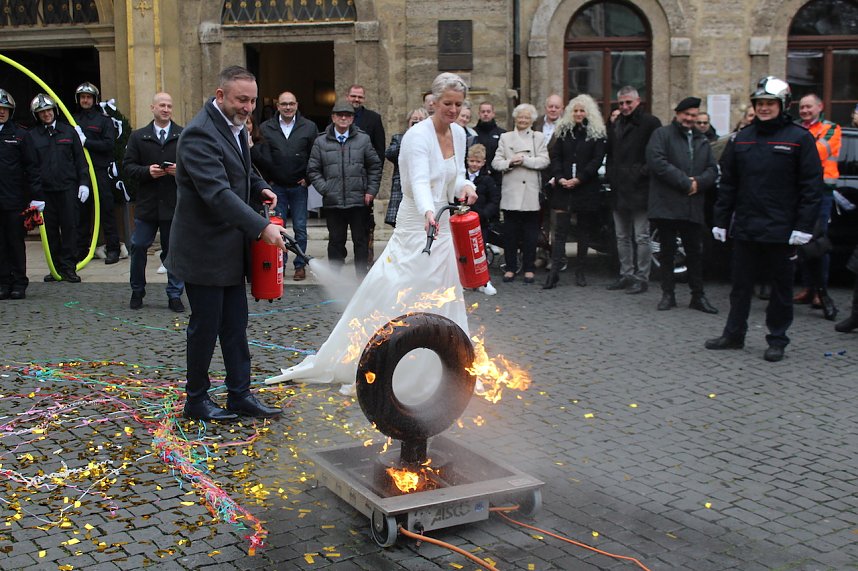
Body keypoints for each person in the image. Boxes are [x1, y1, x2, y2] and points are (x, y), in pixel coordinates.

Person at [267, 72, 478, 396]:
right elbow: (418, 182)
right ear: (433, 101)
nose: (452, 109)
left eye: (458, 104)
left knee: (442, 290)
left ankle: (448, 360)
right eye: (447, 103)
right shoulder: (416, 137)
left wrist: (467, 188)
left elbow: (458, 175)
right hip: (416, 224)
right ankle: (380, 361)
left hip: (443, 225)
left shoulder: (461, 133)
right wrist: (426, 212)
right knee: (399, 290)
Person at [165, 66, 287, 421]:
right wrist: (261, 228)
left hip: (230, 248)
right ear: (220, 96)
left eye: (251, 100)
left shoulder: (235, 127)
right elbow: (217, 193)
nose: (248, 107)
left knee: (235, 324)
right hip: (202, 251)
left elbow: (240, 171)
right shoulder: (198, 135)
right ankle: (196, 400)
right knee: (205, 328)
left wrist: (258, 185)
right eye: (241, 99)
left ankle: (240, 394)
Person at [705, 76, 823, 362]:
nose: (764, 108)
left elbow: (811, 186)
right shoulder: (742, 137)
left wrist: (803, 227)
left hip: (782, 229)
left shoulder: (799, 138)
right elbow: (729, 183)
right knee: (740, 286)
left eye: (770, 103)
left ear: (783, 105)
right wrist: (721, 220)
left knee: (781, 289)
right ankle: (734, 334)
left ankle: (777, 339)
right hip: (746, 225)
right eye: (760, 103)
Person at [646, 96, 719, 313]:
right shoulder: (662, 134)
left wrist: (699, 183)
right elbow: (657, 162)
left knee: (695, 253)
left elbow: (713, 169)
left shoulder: (702, 139)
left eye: (693, 115)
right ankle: (668, 294)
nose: (689, 118)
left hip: (692, 206)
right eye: (686, 114)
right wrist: (685, 182)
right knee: (667, 254)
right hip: (667, 205)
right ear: (678, 114)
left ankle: (698, 295)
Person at [122, 92, 185, 312]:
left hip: (173, 204)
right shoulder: (138, 136)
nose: (166, 109)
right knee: (138, 246)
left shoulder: (182, 135)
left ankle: (175, 294)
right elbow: (128, 167)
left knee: (174, 251)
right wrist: (147, 171)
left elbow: (195, 167)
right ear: (153, 108)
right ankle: (137, 290)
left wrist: (180, 171)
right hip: (147, 204)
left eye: (169, 105)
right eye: (162, 105)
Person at [308, 99, 382, 277]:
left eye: (347, 115)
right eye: (339, 115)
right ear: (333, 117)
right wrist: (325, 189)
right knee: (335, 241)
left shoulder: (363, 139)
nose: (343, 118)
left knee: (361, 241)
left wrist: (371, 191)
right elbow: (313, 169)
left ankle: (361, 277)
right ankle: (335, 277)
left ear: (352, 119)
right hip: (333, 202)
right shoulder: (321, 142)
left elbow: (374, 166)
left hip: (358, 201)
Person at [253, 91, 318, 281]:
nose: (288, 107)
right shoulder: (266, 127)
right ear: (277, 106)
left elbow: (315, 155)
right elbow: (261, 157)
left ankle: (300, 265)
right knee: (277, 228)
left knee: (300, 227)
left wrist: (308, 178)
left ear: (297, 105)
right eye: (284, 104)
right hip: (276, 187)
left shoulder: (309, 127)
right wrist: (266, 181)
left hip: (299, 187)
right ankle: (279, 263)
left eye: (291, 104)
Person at [25, 93, 89, 284]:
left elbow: (80, 161)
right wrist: (35, 195)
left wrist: (84, 182)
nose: (46, 114)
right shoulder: (32, 136)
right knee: (50, 231)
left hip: (68, 188)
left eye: (49, 110)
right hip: (45, 192)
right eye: (42, 112)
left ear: (55, 110)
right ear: (37, 115)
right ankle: (55, 267)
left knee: (70, 228)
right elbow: (31, 167)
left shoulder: (68, 132)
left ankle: (69, 267)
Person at [544, 94, 607, 289]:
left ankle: (580, 271)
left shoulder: (596, 133)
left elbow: (596, 160)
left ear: (588, 112)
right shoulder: (564, 131)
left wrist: (579, 179)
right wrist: (560, 177)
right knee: (560, 232)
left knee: (583, 232)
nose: (579, 114)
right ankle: (554, 272)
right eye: (576, 110)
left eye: (582, 110)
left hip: (585, 187)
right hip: (563, 188)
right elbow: (555, 156)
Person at [606, 85, 662, 294]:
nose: (625, 106)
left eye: (629, 102)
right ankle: (626, 274)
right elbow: (610, 153)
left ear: (638, 101)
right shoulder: (616, 123)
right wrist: (612, 174)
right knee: (622, 236)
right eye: (621, 103)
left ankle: (642, 277)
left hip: (640, 188)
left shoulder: (650, 123)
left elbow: (657, 153)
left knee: (641, 236)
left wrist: (640, 172)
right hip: (619, 188)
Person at [792, 93, 840, 320]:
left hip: (821, 192)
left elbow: (817, 152)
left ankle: (821, 291)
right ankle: (809, 288)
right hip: (800, 192)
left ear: (820, 107)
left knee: (819, 243)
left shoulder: (831, 128)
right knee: (801, 241)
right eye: (802, 107)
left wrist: (793, 148)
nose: (805, 111)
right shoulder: (797, 129)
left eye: (809, 107)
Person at [492, 103, 550, 284]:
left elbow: (544, 161)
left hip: (530, 193)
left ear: (532, 120)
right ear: (515, 119)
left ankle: (529, 268)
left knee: (530, 235)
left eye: (526, 117)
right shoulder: (505, 137)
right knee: (510, 234)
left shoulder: (538, 137)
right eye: (520, 117)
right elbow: (496, 163)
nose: (523, 120)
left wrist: (525, 160)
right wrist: (510, 162)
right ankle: (510, 267)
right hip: (511, 193)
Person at [73, 82, 120, 265]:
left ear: (94, 99)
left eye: (89, 97)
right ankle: (82, 250)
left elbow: (109, 146)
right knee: (81, 214)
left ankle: (113, 249)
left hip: (99, 171)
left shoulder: (104, 120)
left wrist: (86, 142)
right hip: (81, 174)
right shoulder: (73, 119)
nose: (85, 100)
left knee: (106, 211)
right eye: (82, 97)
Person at [0, 88, 41, 300]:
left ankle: (19, 282)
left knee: (15, 242)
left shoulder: (20, 135)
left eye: (4, 109)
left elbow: (32, 167)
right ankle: (3, 281)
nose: (1, 112)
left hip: (14, 199)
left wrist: (36, 197)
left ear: (11, 111)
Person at [347, 84, 386, 266]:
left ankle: (363, 265)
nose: (356, 100)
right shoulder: (340, 116)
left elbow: (379, 153)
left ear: (364, 98)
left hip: (364, 184)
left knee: (363, 230)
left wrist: (373, 184)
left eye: (359, 97)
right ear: (348, 97)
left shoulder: (374, 119)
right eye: (353, 96)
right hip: (342, 184)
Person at [385, 108, 429, 227]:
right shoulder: (399, 138)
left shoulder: (430, 140)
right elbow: (390, 154)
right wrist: (409, 138)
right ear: (408, 122)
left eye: (421, 120)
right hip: (402, 188)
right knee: (401, 226)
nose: (417, 122)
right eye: (414, 120)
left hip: (423, 187)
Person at [465, 143, 500, 295]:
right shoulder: (461, 178)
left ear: (483, 163)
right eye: (472, 161)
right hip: (461, 221)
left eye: (478, 162)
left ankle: (484, 282)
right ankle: (463, 281)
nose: (474, 164)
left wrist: (484, 214)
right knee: (462, 253)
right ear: (467, 160)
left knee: (480, 253)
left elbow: (494, 200)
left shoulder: (487, 180)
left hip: (480, 222)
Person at [474, 101, 506, 185]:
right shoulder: (473, 133)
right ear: (479, 113)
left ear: (493, 114)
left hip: (496, 178)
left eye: (488, 111)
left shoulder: (502, 134)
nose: (485, 114)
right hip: (476, 176)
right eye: (483, 112)